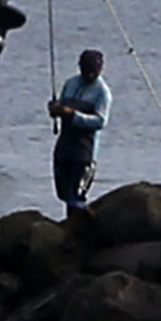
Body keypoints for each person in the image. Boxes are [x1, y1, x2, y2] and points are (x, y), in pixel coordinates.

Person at [46, 49, 108, 214]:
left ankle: (81, 228)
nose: (89, 75)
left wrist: (73, 115)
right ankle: (69, 226)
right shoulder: (70, 84)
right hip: (64, 146)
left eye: (93, 71)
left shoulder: (102, 92)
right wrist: (55, 109)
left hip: (84, 151)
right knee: (63, 192)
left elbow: (100, 121)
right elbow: (60, 108)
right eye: (86, 70)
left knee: (76, 194)